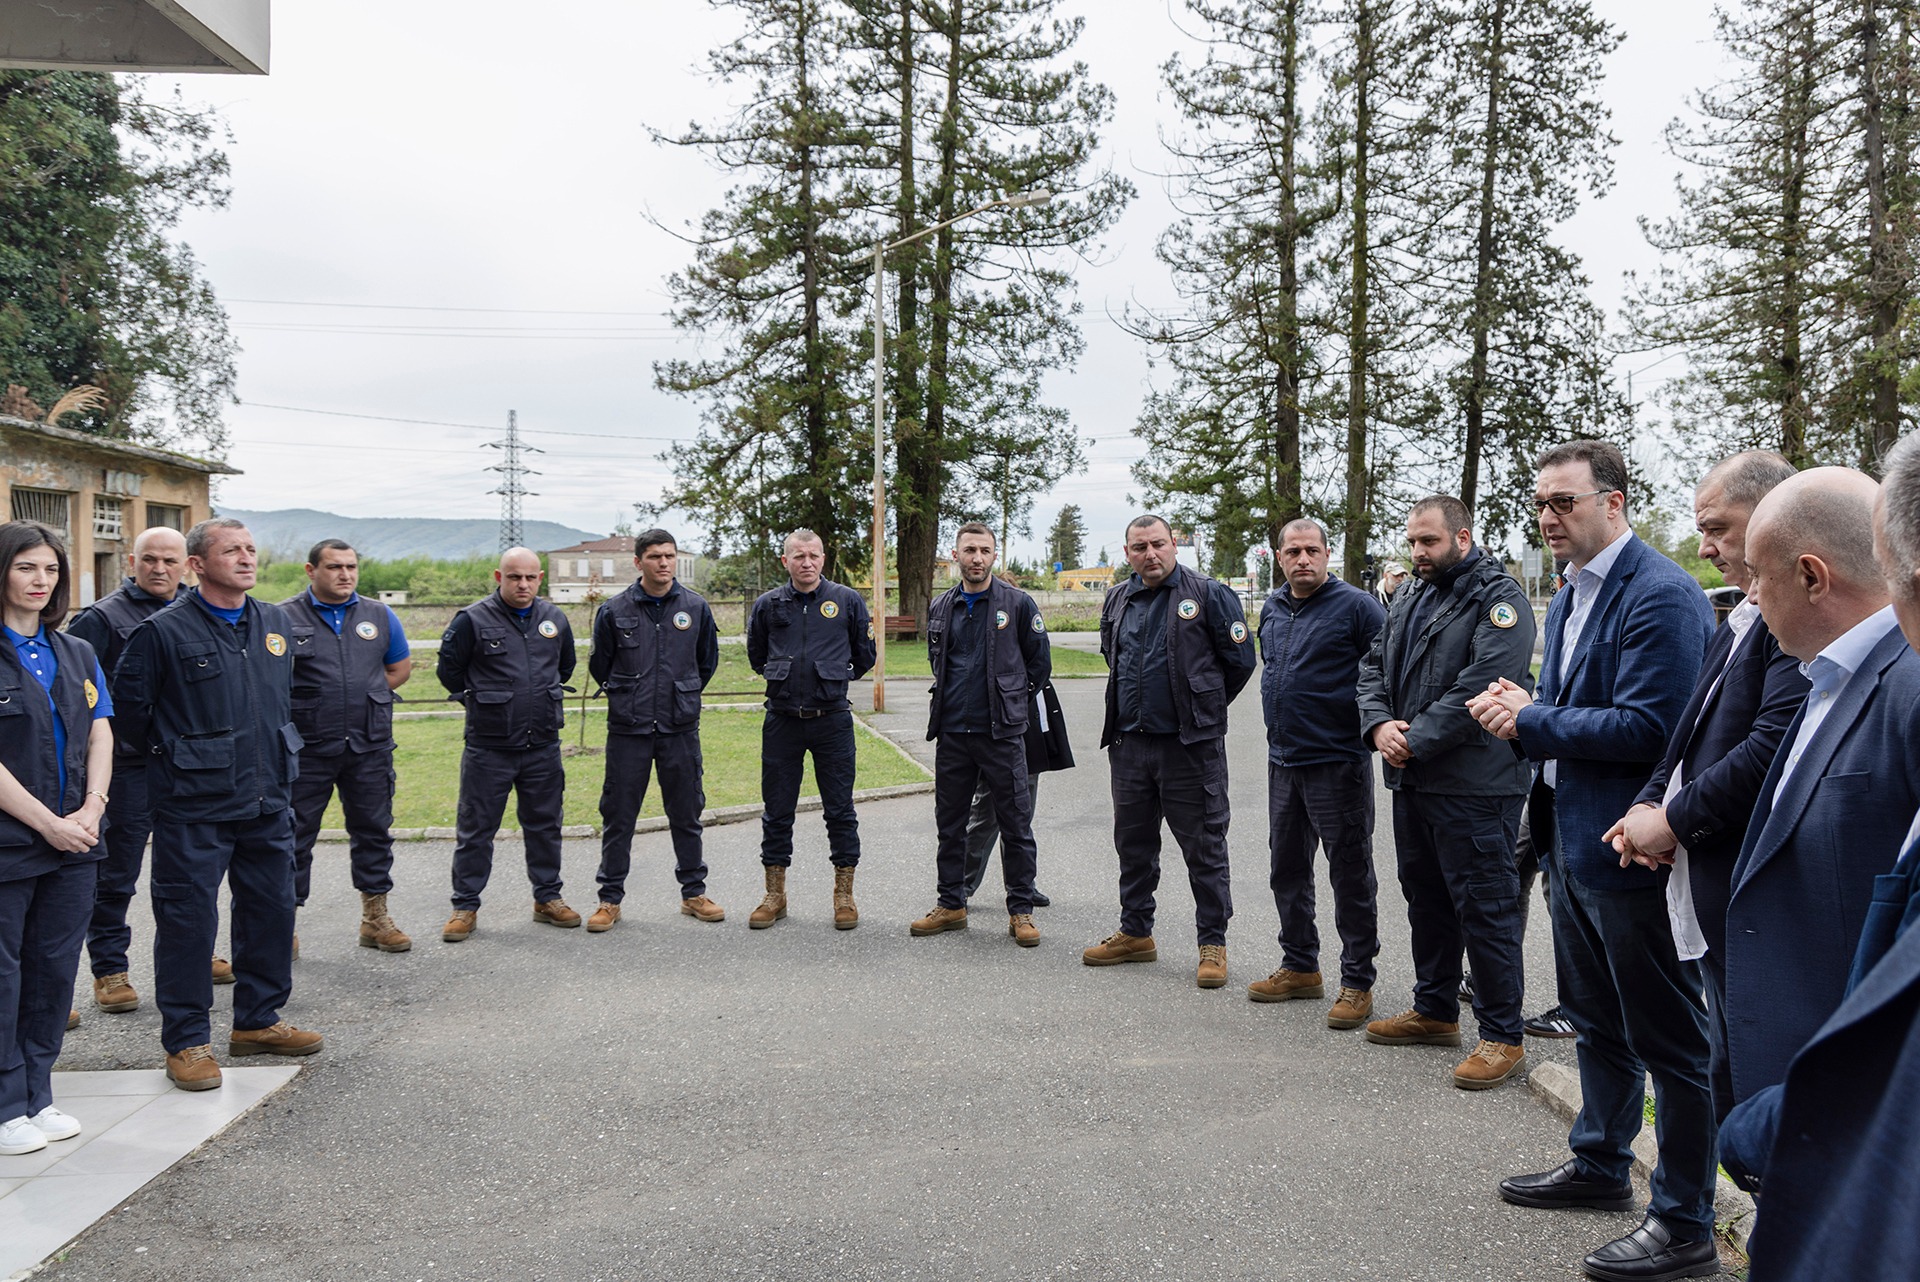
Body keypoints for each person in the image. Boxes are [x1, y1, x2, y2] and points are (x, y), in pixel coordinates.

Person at [1468, 440, 1716, 1282]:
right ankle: (1602, 1164)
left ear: (1614, 502)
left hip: (1629, 853)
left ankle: (1685, 1222)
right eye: (1540, 502)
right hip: (1569, 840)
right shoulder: (1575, 591)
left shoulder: (1662, 594)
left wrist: (1531, 719)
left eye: (1563, 501)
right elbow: (1578, 704)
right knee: (1596, 1019)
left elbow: (1652, 727)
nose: (1547, 516)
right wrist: (1530, 703)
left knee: (1670, 1041)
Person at [1716, 433, 1920, 1280]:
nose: (1748, 596)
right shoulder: (1827, 675)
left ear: (1810, 576)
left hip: (1850, 1110)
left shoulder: (1908, 686)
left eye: (1758, 578)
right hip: (1801, 1102)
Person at [1603, 451, 1806, 1122]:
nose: (1705, 547)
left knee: (1752, 1087)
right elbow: (1687, 735)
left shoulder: (1794, 623)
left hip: (1744, 887)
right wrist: (1648, 803)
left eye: (1717, 528)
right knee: (1724, 1070)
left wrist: (1670, 822)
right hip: (1704, 882)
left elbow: (1769, 747)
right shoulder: (1744, 616)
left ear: (1773, 517)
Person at [114, 518, 321, 1091]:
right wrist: (183, 758)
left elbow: (281, 698)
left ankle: (258, 1021)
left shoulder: (274, 622)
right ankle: (186, 1041)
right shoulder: (162, 632)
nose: (247, 558)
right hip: (194, 805)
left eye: (251, 549)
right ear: (197, 565)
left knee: (272, 911)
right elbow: (129, 717)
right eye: (232, 550)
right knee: (188, 923)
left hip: (268, 797)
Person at [1355, 495, 1537, 1090]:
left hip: (1475, 785)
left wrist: (1413, 740)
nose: (1417, 552)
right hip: (1415, 779)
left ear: (1462, 538)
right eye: (1412, 541)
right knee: (1426, 899)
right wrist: (1378, 725)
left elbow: (1484, 686)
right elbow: (1373, 666)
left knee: (1484, 907)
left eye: (1428, 541)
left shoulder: (1499, 599)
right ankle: (1434, 1011)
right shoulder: (1411, 594)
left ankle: (1502, 1034)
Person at [1083, 514, 1254, 988]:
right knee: (1133, 845)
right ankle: (1136, 932)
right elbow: (1112, 655)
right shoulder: (1118, 597)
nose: (1150, 554)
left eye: (1158, 544)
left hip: (1188, 748)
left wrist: (1201, 707)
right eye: (1140, 547)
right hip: (1130, 746)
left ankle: (1213, 944)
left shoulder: (1209, 594)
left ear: (1174, 544)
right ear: (1127, 554)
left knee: (1205, 848)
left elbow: (1240, 662)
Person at [1246, 519, 1386, 1031]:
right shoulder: (1273, 607)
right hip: (1284, 761)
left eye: (1311, 550)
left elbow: (1384, 673)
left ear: (1328, 554)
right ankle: (1300, 964)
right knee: (1286, 869)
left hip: (1337, 762)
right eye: (1293, 551)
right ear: (1279, 557)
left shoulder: (1358, 608)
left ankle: (1357, 981)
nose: (1302, 559)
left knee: (1349, 873)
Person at [0, 522, 112, 1156]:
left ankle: (37, 1095)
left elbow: (100, 730)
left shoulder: (77, 652)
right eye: (26, 568)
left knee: (53, 971)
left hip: (77, 840)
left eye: (50, 569)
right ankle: (4, 1105)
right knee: (4, 975)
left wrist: (94, 807)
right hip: (12, 841)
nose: (40, 580)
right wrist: (49, 823)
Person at [65, 525, 198, 1014]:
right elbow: (71, 695)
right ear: (131, 562)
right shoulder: (102, 619)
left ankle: (191, 953)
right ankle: (109, 968)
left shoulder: (198, 611)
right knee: (116, 873)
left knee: (190, 870)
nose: (159, 569)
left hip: (188, 766)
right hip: (128, 767)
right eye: (149, 560)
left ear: (187, 565)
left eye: (169, 561)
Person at [909, 523, 1050, 945]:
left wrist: (1009, 703)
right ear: (956, 555)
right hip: (953, 732)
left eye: (984, 550)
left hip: (1001, 734)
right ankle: (951, 904)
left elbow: (1038, 665)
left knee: (1016, 825)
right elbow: (939, 661)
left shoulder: (1018, 604)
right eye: (969, 550)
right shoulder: (941, 605)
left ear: (994, 555)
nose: (977, 558)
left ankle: (1020, 910)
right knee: (950, 825)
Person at [437, 547, 578, 942]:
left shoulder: (554, 619)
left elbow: (565, 666)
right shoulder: (472, 619)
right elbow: (450, 672)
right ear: (499, 577)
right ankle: (465, 906)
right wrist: (490, 703)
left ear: (541, 578)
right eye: (514, 577)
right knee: (476, 829)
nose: (523, 584)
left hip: (542, 743)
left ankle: (547, 898)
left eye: (531, 577)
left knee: (545, 825)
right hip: (489, 746)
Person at [280, 539, 413, 953]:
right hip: (307, 749)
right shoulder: (282, 617)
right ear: (311, 570)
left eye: (351, 567)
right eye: (335, 567)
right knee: (293, 837)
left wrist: (363, 695)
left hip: (368, 746)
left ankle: (375, 918)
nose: (345, 574)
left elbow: (398, 668)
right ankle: (283, 925)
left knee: (374, 830)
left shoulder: (379, 615)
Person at [587, 528, 721, 931]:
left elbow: (706, 663)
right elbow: (600, 665)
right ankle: (609, 900)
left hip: (679, 727)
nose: (664, 563)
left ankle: (693, 893)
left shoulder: (695, 607)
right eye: (655, 556)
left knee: (686, 812)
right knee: (619, 815)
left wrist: (681, 694)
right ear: (638, 562)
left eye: (669, 555)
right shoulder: (614, 610)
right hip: (629, 729)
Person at [745, 529, 875, 930]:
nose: (807, 563)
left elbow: (865, 655)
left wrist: (833, 680)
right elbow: (756, 655)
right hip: (782, 720)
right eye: (798, 556)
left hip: (831, 720)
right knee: (777, 811)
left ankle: (844, 896)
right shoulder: (768, 604)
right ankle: (775, 895)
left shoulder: (847, 601)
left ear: (823, 558)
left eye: (813, 555)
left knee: (840, 810)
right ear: (785, 561)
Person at [960, 674, 1073, 906]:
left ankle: (1022, 885)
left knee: (1021, 820)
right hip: (997, 727)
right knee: (985, 819)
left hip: (1029, 724)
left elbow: (1039, 665)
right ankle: (959, 887)